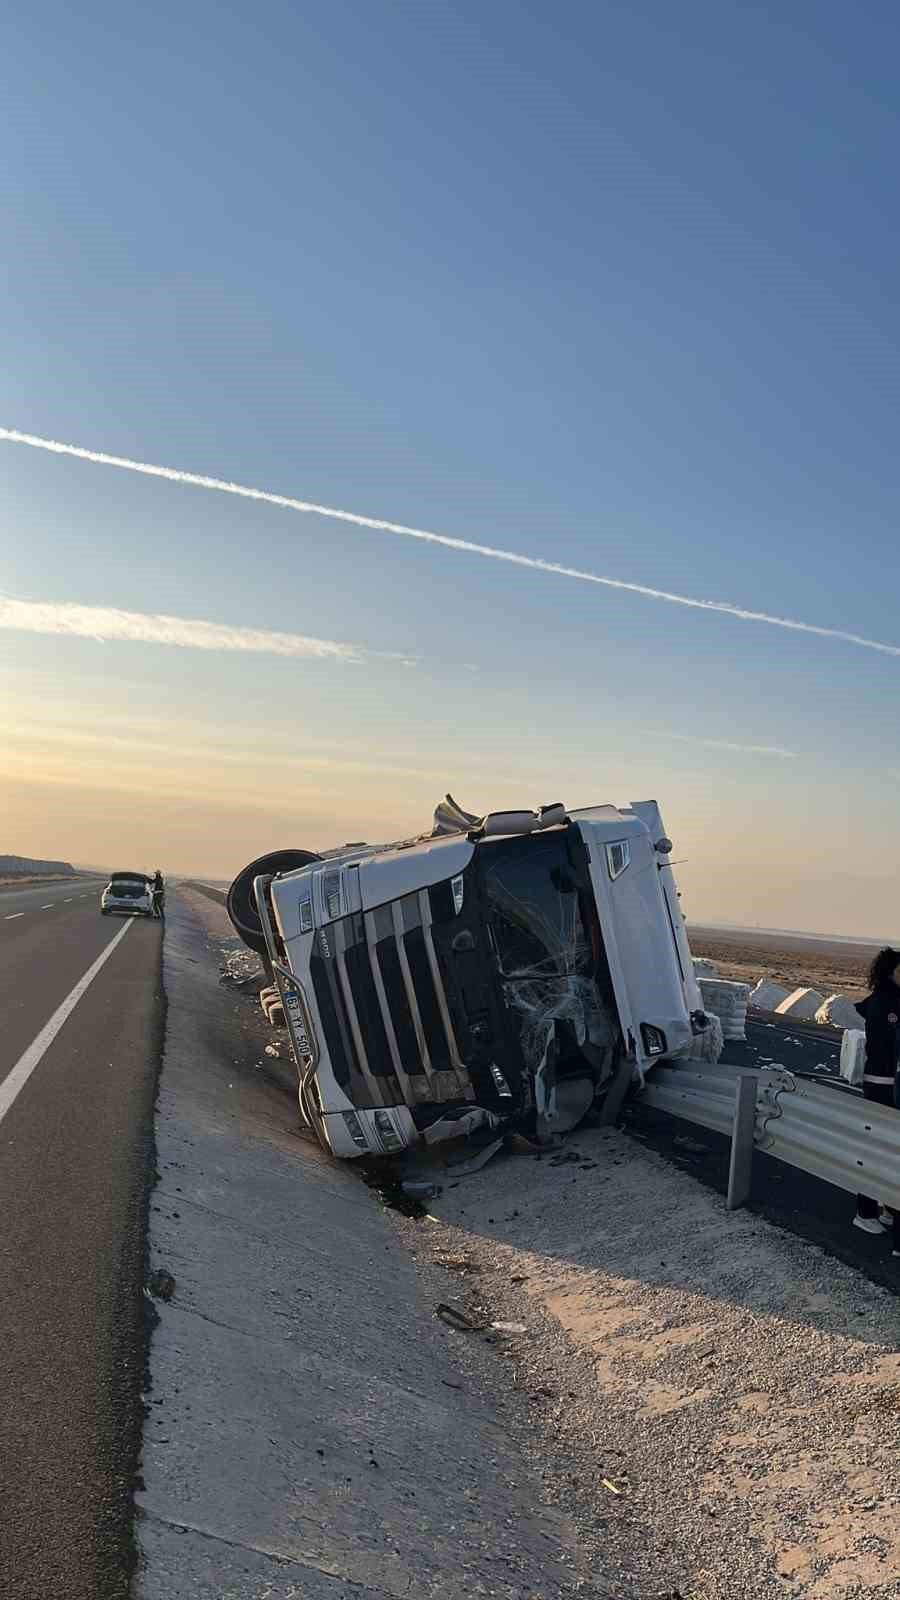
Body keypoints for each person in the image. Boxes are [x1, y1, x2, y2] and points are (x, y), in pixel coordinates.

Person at [853, 946, 900, 1251]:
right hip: (880, 1083)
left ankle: (885, 1206)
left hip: (890, 1083)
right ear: (890, 972)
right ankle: (865, 1211)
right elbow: (886, 1046)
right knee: (874, 1147)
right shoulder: (883, 1004)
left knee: (888, 1149)